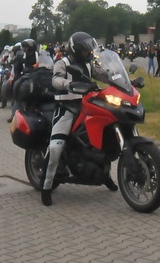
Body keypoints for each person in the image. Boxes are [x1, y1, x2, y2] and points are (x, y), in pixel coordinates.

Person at [40, 31, 112, 207]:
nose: (89, 53)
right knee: (56, 147)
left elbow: (103, 74)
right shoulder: (62, 63)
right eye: (86, 50)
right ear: (76, 49)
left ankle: (106, 176)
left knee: (103, 135)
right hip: (67, 108)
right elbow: (55, 79)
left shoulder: (89, 63)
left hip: (87, 106)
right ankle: (46, 186)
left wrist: (121, 80)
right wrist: (68, 84)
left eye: (89, 50)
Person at [7, 39, 38, 122]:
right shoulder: (21, 57)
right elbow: (17, 69)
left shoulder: (39, 56)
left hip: (37, 77)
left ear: (31, 48)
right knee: (18, 92)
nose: (24, 49)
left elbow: (47, 64)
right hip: (25, 78)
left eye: (26, 47)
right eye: (23, 48)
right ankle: (14, 115)